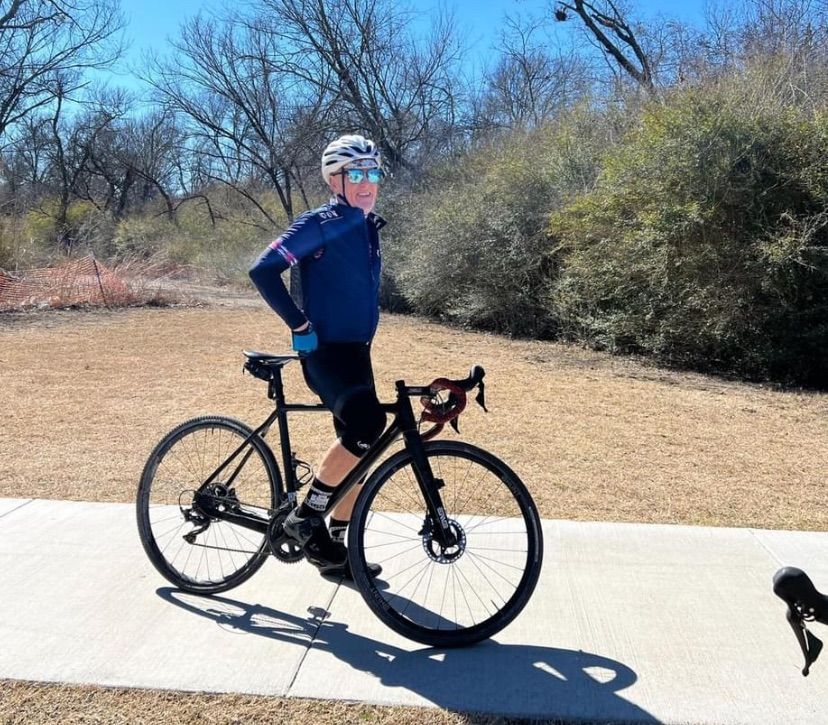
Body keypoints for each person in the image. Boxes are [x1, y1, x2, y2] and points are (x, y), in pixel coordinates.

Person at [248, 134, 387, 579]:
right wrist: (300, 325)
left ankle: (337, 553)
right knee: (367, 427)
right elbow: (264, 270)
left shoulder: (365, 225)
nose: (367, 183)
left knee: (359, 450)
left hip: (356, 352)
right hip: (325, 352)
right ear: (335, 179)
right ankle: (308, 519)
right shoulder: (321, 222)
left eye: (372, 173)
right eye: (356, 174)